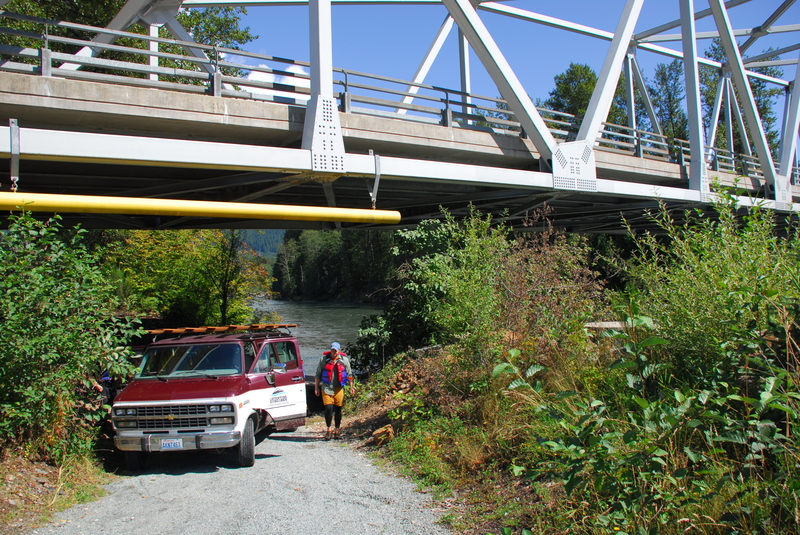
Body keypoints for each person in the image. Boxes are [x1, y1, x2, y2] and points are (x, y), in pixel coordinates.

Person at [314, 342, 354, 440]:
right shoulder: (323, 360)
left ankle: (337, 430)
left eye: (336, 350)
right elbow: (318, 375)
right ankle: (328, 430)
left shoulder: (344, 360)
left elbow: (349, 375)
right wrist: (316, 388)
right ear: (330, 350)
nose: (334, 352)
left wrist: (351, 387)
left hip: (338, 388)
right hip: (327, 388)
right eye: (332, 350)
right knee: (328, 409)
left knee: (338, 410)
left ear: (339, 350)